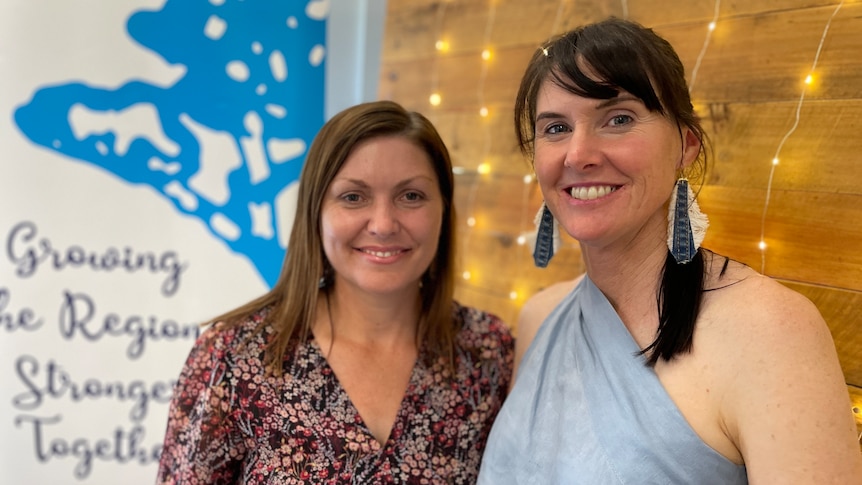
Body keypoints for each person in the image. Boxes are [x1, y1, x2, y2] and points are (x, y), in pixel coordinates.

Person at [477, 17, 862, 484]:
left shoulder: (773, 334)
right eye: (555, 128)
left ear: (686, 144)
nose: (578, 154)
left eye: (618, 119)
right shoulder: (539, 315)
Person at [157, 100, 514, 484]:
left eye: (410, 196)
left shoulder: (488, 353)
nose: (382, 224)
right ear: (316, 211)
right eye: (353, 197)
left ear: (443, 209)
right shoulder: (233, 356)